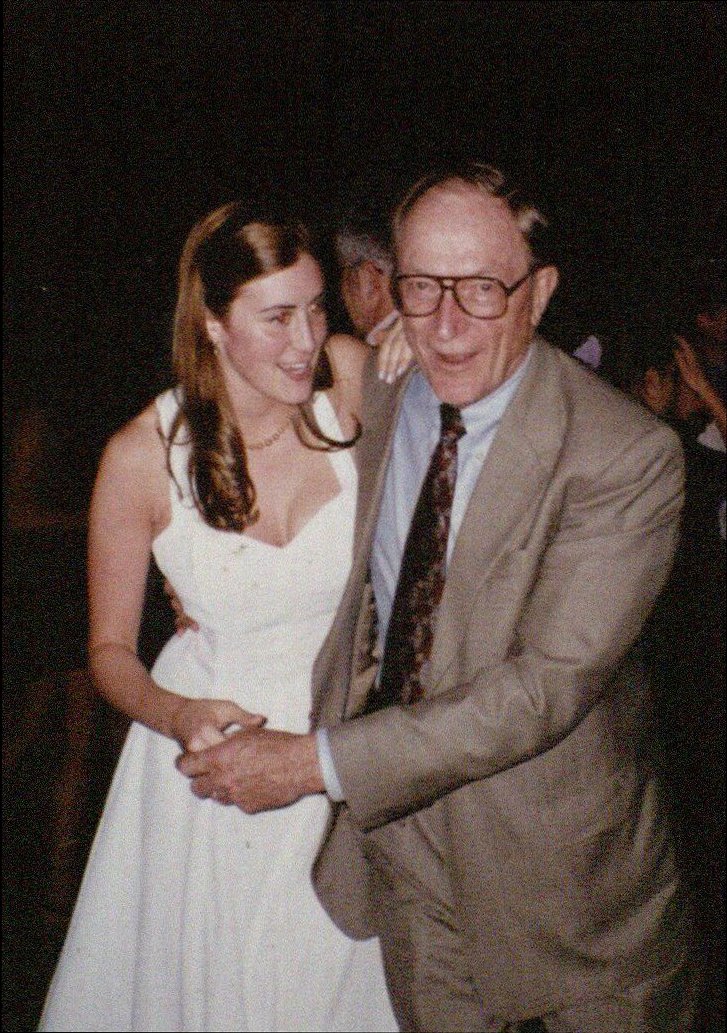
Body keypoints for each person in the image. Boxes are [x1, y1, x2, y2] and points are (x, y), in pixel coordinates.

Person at [178, 162, 696, 1033]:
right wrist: (199, 561)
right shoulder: (377, 386)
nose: (447, 326)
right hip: (401, 849)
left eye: (481, 289)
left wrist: (313, 763)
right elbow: (234, 404)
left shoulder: (621, 453)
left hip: (561, 881)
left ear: (538, 292)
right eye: (422, 286)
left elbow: (542, 688)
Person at [38, 201, 399, 1032]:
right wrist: (176, 714)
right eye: (276, 317)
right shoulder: (140, 455)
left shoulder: (348, 378)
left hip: (342, 737)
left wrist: (409, 343)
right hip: (211, 763)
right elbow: (108, 649)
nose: (306, 340)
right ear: (211, 324)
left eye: (316, 308)